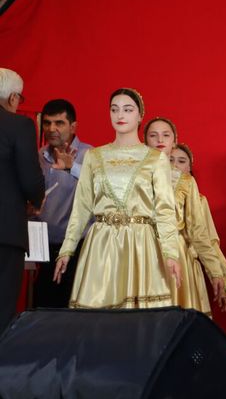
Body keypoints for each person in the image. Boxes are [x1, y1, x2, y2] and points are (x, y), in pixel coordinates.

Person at [54, 89, 181, 308]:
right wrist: (67, 249)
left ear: (140, 115)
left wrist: (171, 252)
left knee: (137, 318)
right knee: (99, 315)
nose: (120, 115)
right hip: (101, 243)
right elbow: (82, 206)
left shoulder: (156, 158)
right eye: (114, 110)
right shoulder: (94, 156)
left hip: (140, 244)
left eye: (127, 110)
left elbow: (165, 209)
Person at [144, 117, 225, 315]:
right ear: (145, 141)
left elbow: (199, 231)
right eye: (153, 135)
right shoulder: (133, 175)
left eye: (166, 135)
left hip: (175, 255)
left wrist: (216, 272)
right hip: (141, 250)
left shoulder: (185, 182)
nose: (160, 140)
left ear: (174, 142)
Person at [32, 99, 93, 308]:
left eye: (59, 123)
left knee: (73, 314)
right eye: (47, 123)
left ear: (73, 126)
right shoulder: (39, 156)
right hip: (43, 251)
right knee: (42, 311)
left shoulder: (89, 155)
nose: (52, 129)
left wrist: (72, 168)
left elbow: (101, 190)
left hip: (78, 251)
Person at [0, 68, 45, 331]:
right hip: (5, 233)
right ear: (13, 97)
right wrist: (36, 200)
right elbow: (30, 179)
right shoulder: (19, 125)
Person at [171, 143, 226, 311]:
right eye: (170, 160)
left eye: (181, 161)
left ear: (189, 168)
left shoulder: (200, 201)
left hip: (185, 267)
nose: (175, 165)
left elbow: (209, 242)